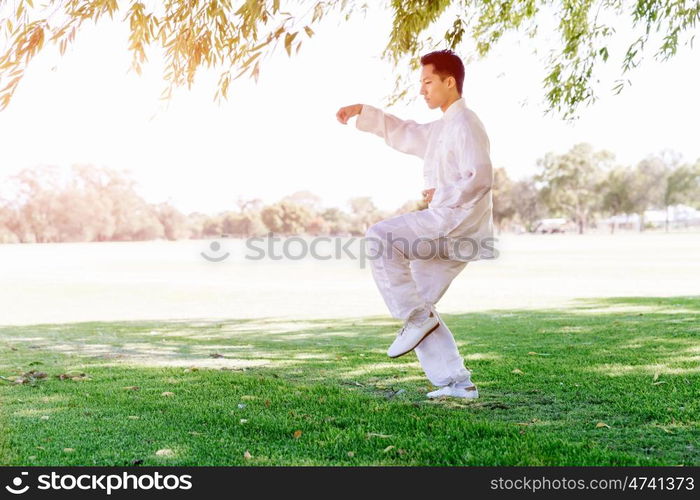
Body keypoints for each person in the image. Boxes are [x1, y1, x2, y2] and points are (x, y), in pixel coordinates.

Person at [335, 49, 495, 399]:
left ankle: (416, 318)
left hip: (453, 224)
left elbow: (481, 176)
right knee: (420, 304)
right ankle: (458, 383)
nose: (422, 90)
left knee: (380, 237)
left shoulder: (466, 123)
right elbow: (405, 132)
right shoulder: (443, 127)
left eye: (427, 82)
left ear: (449, 82)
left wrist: (443, 193)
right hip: (454, 227)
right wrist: (365, 114)